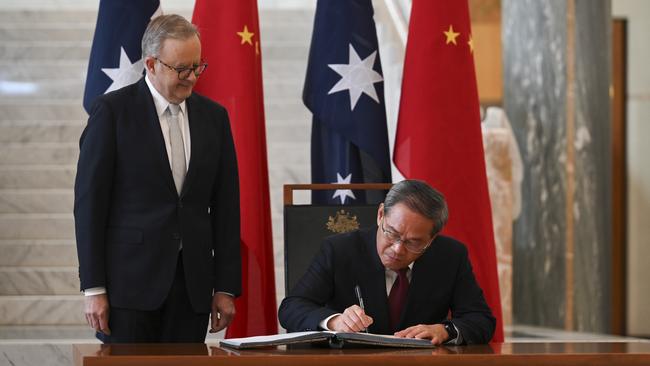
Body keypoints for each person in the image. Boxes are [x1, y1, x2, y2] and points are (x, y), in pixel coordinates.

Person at [74, 14, 241, 343]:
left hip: (192, 290)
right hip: (129, 289)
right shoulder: (112, 113)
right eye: (182, 69)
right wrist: (94, 287)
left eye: (197, 67)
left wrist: (225, 286)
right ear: (151, 64)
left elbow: (226, 207)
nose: (191, 78)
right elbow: (89, 206)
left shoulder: (214, 118)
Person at [278, 180, 495, 345]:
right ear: (381, 215)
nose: (398, 249)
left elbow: (481, 320)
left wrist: (445, 330)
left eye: (414, 242)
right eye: (392, 233)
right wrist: (334, 321)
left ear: (432, 239)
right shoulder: (340, 250)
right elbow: (291, 308)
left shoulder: (450, 255)